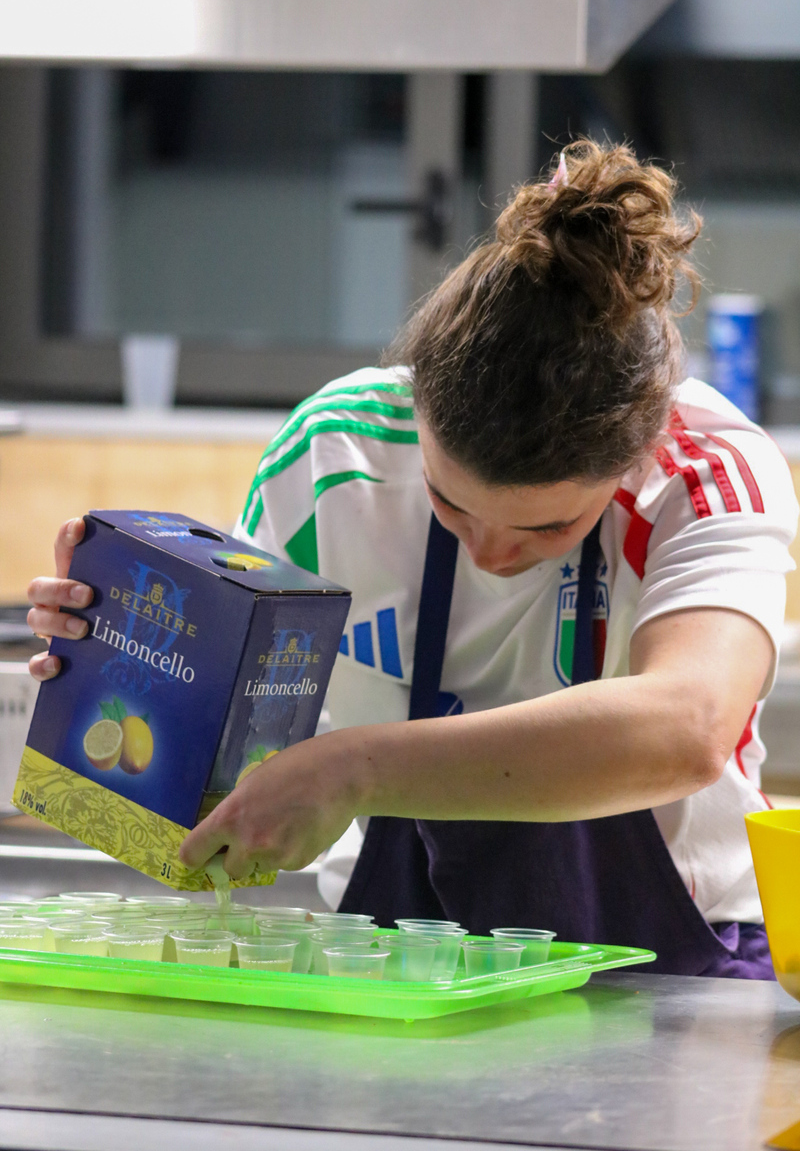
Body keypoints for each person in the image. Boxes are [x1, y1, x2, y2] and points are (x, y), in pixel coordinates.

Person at [27, 140, 798, 977]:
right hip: (393, 968)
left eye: (548, 528)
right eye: (448, 502)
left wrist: (356, 770)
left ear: (636, 456)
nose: (490, 554)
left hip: (668, 980)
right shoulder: (336, 457)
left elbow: (686, 728)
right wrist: (127, 627)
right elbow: (236, 692)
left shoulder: (707, 474)